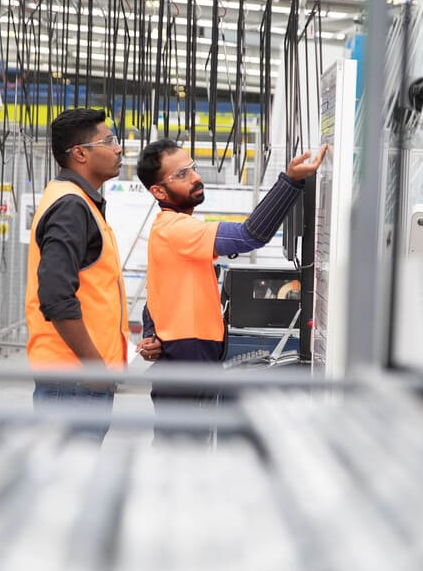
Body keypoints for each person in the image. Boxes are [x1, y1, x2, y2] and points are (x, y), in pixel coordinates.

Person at [135, 139, 327, 428]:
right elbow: (250, 236)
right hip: (189, 361)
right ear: (159, 191)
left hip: (186, 358)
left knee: (180, 449)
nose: (196, 177)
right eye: (182, 174)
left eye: (193, 168)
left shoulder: (167, 230)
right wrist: (290, 182)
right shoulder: (176, 229)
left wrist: (152, 330)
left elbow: (156, 290)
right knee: (184, 450)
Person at [25, 108, 137, 434]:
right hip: (73, 379)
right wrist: (93, 366)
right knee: (68, 480)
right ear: (80, 154)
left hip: (77, 377)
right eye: (110, 140)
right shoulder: (71, 206)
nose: (118, 149)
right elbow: (55, 295)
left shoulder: (78, 202)